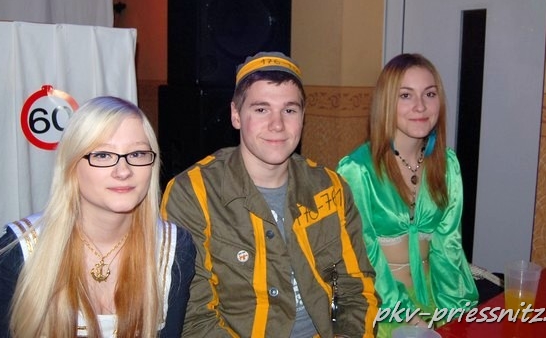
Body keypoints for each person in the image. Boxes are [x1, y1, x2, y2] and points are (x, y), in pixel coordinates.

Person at [161, 52, 380, 337]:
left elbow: (356, 288)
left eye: (289, 110)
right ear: (236, 115)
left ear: (303, 116)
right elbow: (194, 318)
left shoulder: (330, 187)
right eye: (261, 109)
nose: (277, 125)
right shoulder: (193, 193)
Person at [0, 96, 195, 338]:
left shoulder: (173, 249)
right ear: (71, 166)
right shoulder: (18, 252)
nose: (123, 171)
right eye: (103, 155)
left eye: (137, 153)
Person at [336, 53, 478, 337]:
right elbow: (362, 257)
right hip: (380, 306)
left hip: (433, 303)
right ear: (386, 102)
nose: (420, 106)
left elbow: (448, 246)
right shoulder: (357, 170)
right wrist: (409, 318)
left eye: (430, 94)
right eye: (405, 95)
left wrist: (453, 316)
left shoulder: (447, 165)